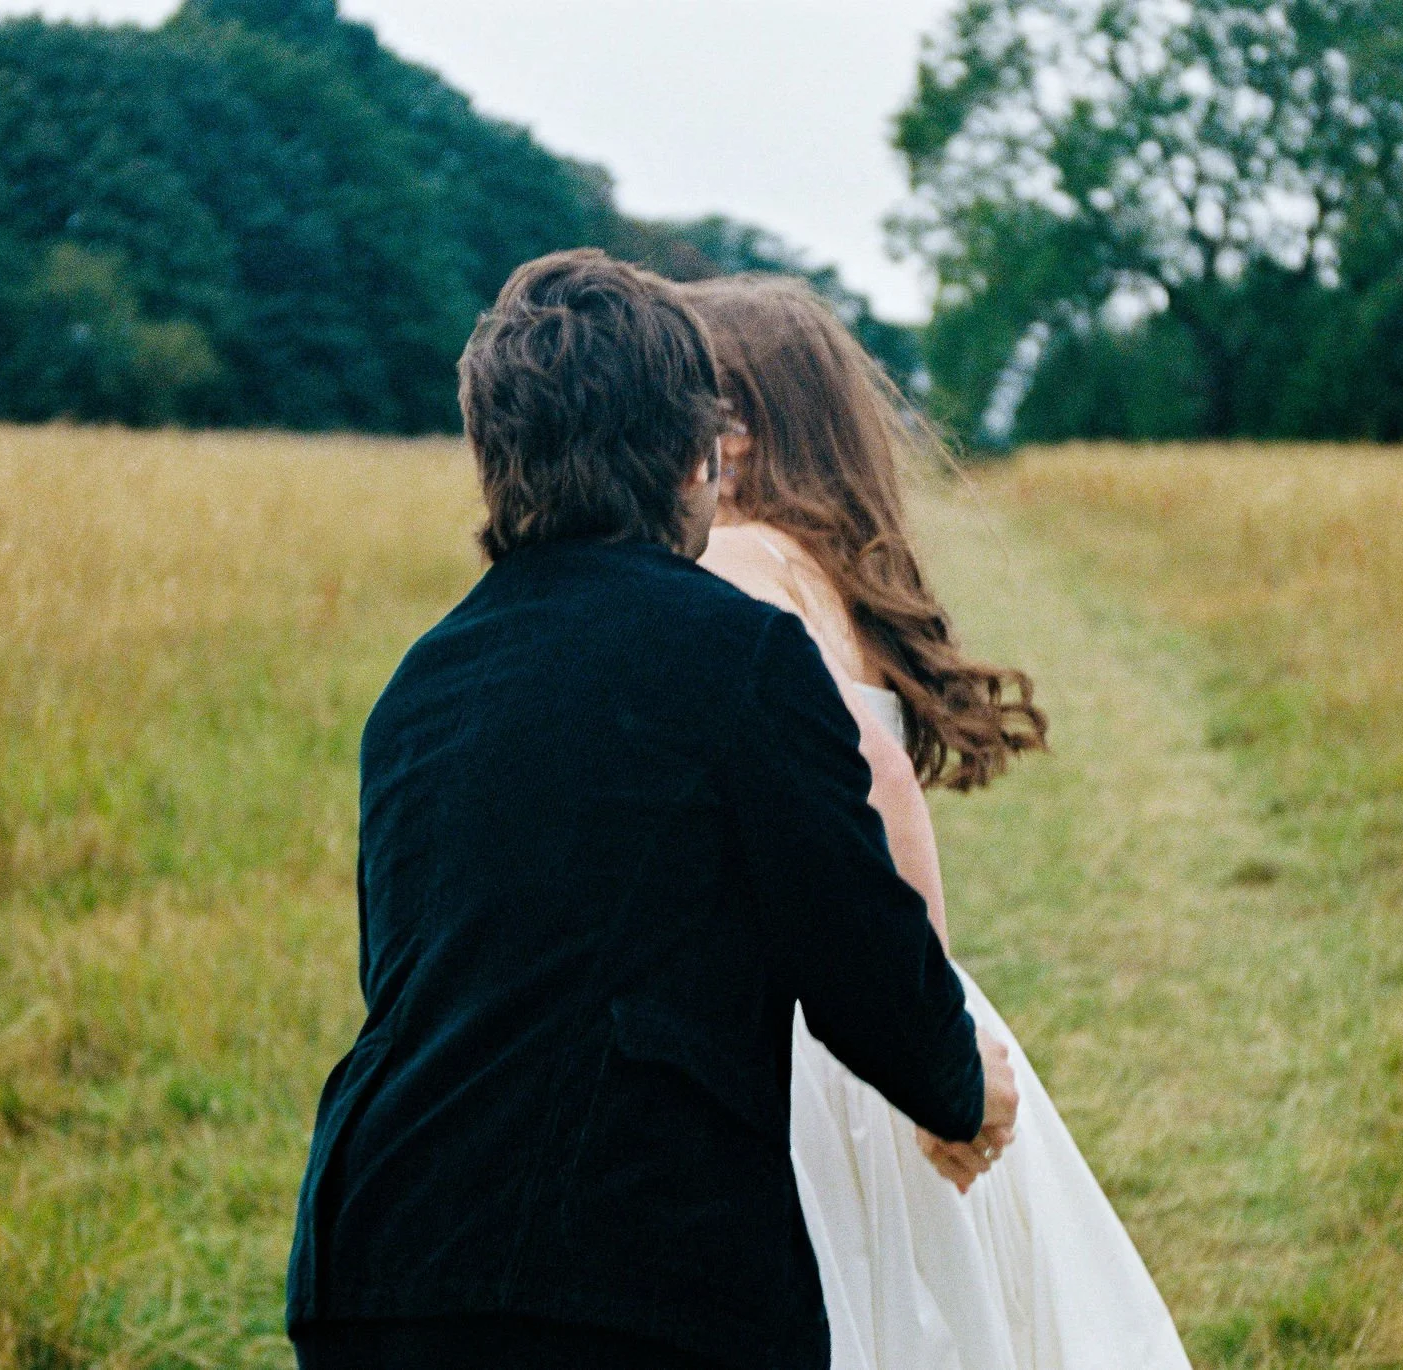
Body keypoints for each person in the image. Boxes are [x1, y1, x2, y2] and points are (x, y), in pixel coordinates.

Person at [284, 249, 1019, 1370]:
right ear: (695, 458)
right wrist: (958, 1087)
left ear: (492, 459)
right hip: (625, 1269)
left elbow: (410, 974)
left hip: (376, 1258)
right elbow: (854, 945)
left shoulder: (420, 682)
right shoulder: (738, 653)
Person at [690, 272, 1194, 1370]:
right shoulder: (815, 563)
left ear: (744, 431)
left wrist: (927, 1039)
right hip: (869, 989)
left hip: (812, 1020)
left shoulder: (735, 560)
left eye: (690, 402)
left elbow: (880, 783)